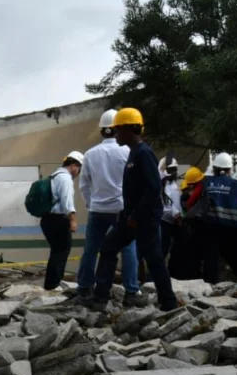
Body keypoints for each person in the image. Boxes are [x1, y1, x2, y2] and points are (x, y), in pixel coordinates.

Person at [90, 108, 178, 312]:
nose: (116, 134)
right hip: (132, 217)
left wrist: (136, 215)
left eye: (118, 129)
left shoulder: (143, 154)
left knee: (154, 259)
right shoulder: (133, 154)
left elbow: (154, 188)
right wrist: (128, 215)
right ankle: (100, 298)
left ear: (130, 129)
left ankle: (169, 302)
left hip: (144, 218)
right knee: (109, 247)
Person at [77, 109, 141, 304]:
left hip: (97, 209)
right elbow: (135, 182)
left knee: (91, 249)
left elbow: (84, 184)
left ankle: (85, 287)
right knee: (128, 248)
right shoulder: (127, 151)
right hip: (121, 208)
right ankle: (131, 290)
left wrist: (90, 203)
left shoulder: (89, 154)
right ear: (118, 128)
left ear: (101, 130)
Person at [184, 153, 237, 284]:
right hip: (233, 228)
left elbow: (191, 202)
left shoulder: (206, 181)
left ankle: (210, 284)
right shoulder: (236, 184)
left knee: (211, 257)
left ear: (214, 168)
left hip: (210, 227)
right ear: (229, 169)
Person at [40, 152, 84, 291]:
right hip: (58, 219)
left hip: (47, 219)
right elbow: (67, 201)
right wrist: (73, 220)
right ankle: (53, 285)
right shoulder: (65, 178)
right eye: (79, 169)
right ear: (74, 166)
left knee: (57, 252)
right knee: (61, 252)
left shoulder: (54, 175)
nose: (78, 173)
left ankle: (51, 283)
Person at [169, 167, 205, 280]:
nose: (189, 191)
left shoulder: (201, 194)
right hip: (189, 229)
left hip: (193, 229)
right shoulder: (190, 197)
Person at [159, 158, 181, 260]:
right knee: (163, 251)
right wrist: (178, 217)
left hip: (167, 221)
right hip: (166, 222)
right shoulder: (168, 186)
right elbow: (170, 207)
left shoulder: (170, 184)